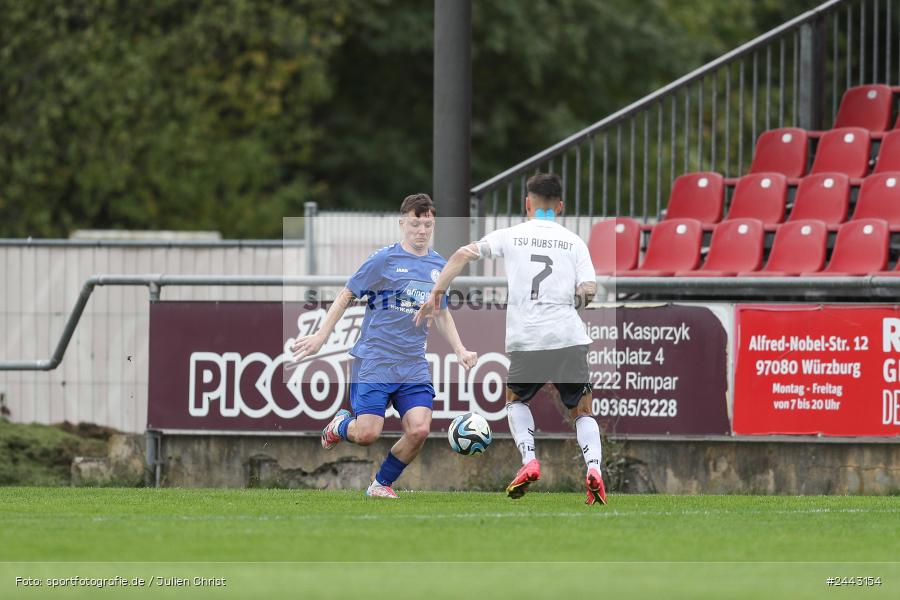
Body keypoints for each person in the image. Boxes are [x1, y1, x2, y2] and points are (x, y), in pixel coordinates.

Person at [415, 173, 606, 505]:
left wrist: (437, 293)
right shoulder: (574, 241)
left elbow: (462, 253)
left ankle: (529, 460)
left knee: (516, 400)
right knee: (582, 410)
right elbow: (589, 289)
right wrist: (575, 299)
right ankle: (594, 469)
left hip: (528, 337)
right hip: (568, 335)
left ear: (527, 204)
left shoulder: (512, 235)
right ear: (559, 206)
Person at [291, 193, 477, 499]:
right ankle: (340, 426)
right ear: (402, 223)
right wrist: (321, 336)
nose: (421, 230)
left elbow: (440, 311)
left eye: (428, 225)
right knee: (367, 434)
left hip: (412, 363)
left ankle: (381, 484)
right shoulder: (383, 260)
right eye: (416, 224)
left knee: (418, 429)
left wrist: (459, 349)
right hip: (376, 359)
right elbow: (347, 294)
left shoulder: (438, 266)